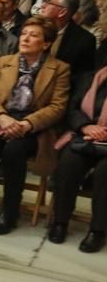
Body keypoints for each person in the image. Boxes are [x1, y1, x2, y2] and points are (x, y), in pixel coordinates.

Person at [0, 17, 70, 235]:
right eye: (24, 33)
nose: (25, 39)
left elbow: (57, 107)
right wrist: (1, 117)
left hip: (34, 125)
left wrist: (27, 124)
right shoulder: (5, 61)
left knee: (13, 151)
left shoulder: (60, 68)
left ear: (46, 44)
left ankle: (10, 210)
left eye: (33, 35)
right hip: (2, 119)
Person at [49, 60, 107, 251]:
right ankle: (60, 221)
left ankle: (98, 230)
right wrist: (86, 126)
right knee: (69, 163)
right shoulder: (91, 77)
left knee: (104, 173)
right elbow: (72, 109)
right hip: (85, 136)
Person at [39, 0, 97, 79]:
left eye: (49, 2)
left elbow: (82, 78)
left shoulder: (85, 40)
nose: (42, 5)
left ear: (62, 12)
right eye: (44, 0)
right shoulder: (32, 27)